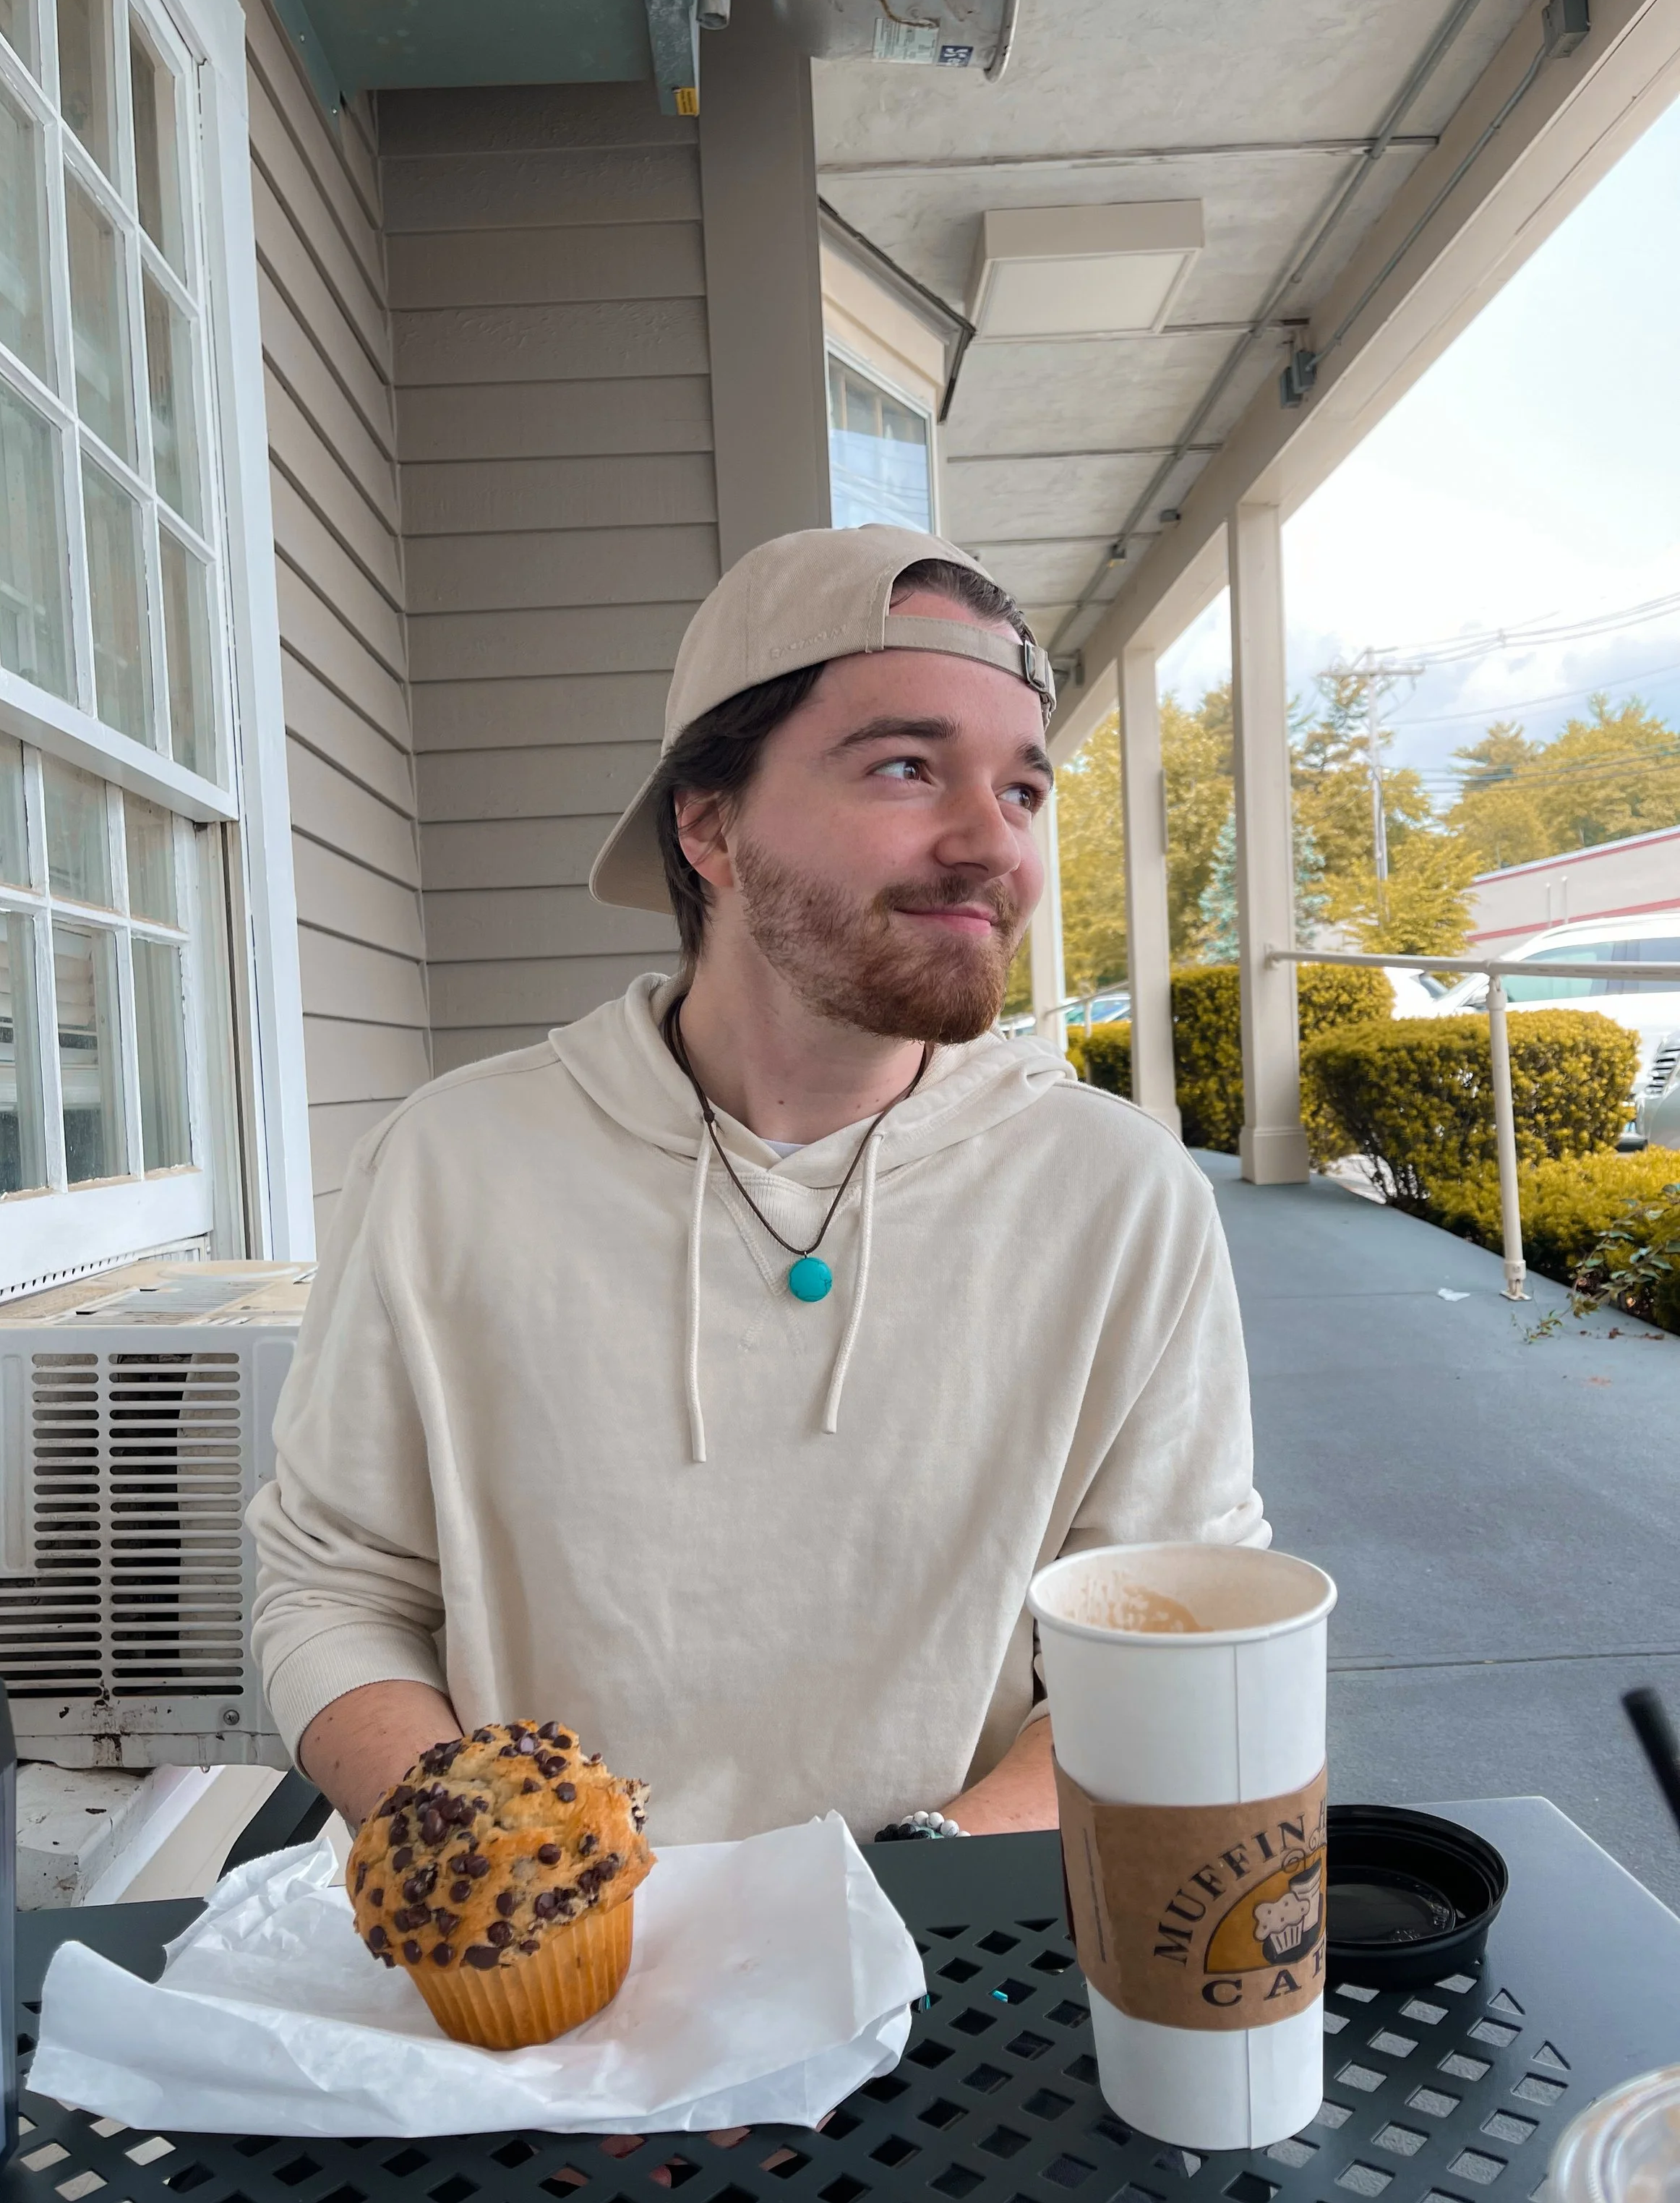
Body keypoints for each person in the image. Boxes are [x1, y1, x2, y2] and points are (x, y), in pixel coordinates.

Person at [249, 524, 1268, 1847]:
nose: (994, 846)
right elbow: (335, 1589)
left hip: (956, 1950)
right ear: (711, 826)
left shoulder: (1118, 1193)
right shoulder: (451, 1166)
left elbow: (1176, 1622)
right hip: (534, 1981)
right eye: (909, 767)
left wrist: (908, 1896)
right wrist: (496, 1865)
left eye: (1023, 791)